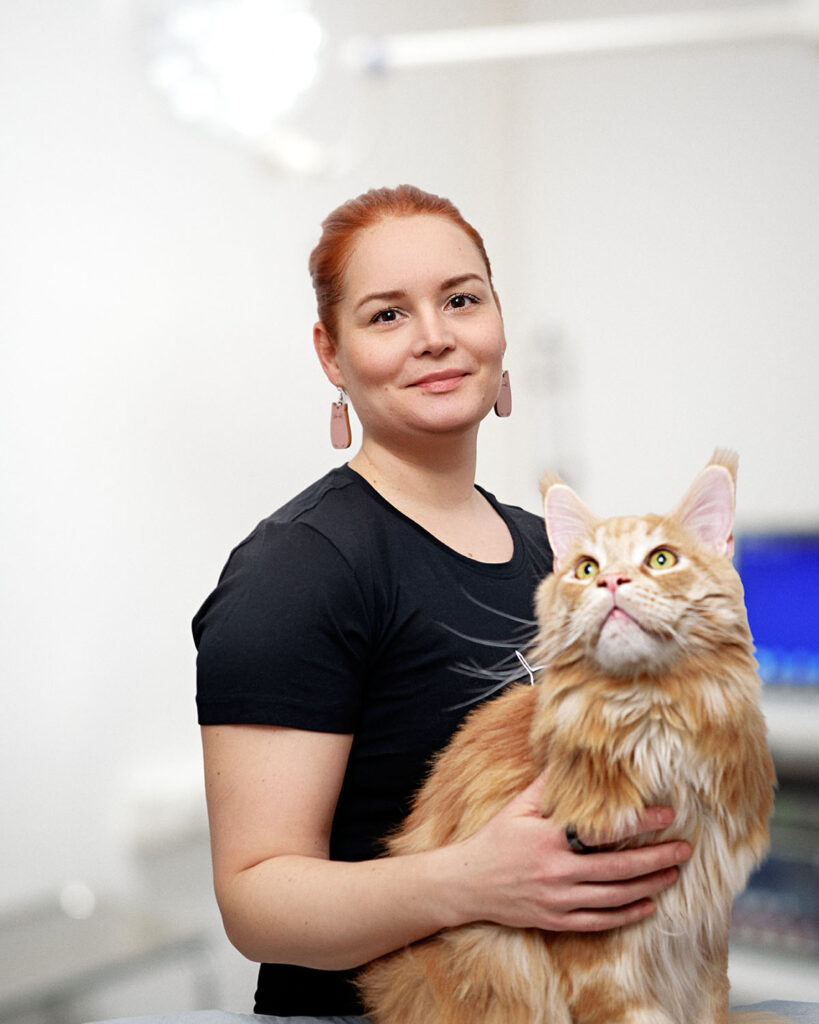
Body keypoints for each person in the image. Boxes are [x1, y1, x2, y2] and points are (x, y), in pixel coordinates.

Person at [192, 185, 691, 1022]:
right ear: (331, 353)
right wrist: (471, 881)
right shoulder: (296, 571)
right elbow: (256, 902)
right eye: (387, 315)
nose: (434, 336)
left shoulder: (551, 551)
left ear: (497, 322)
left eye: (461, 300)